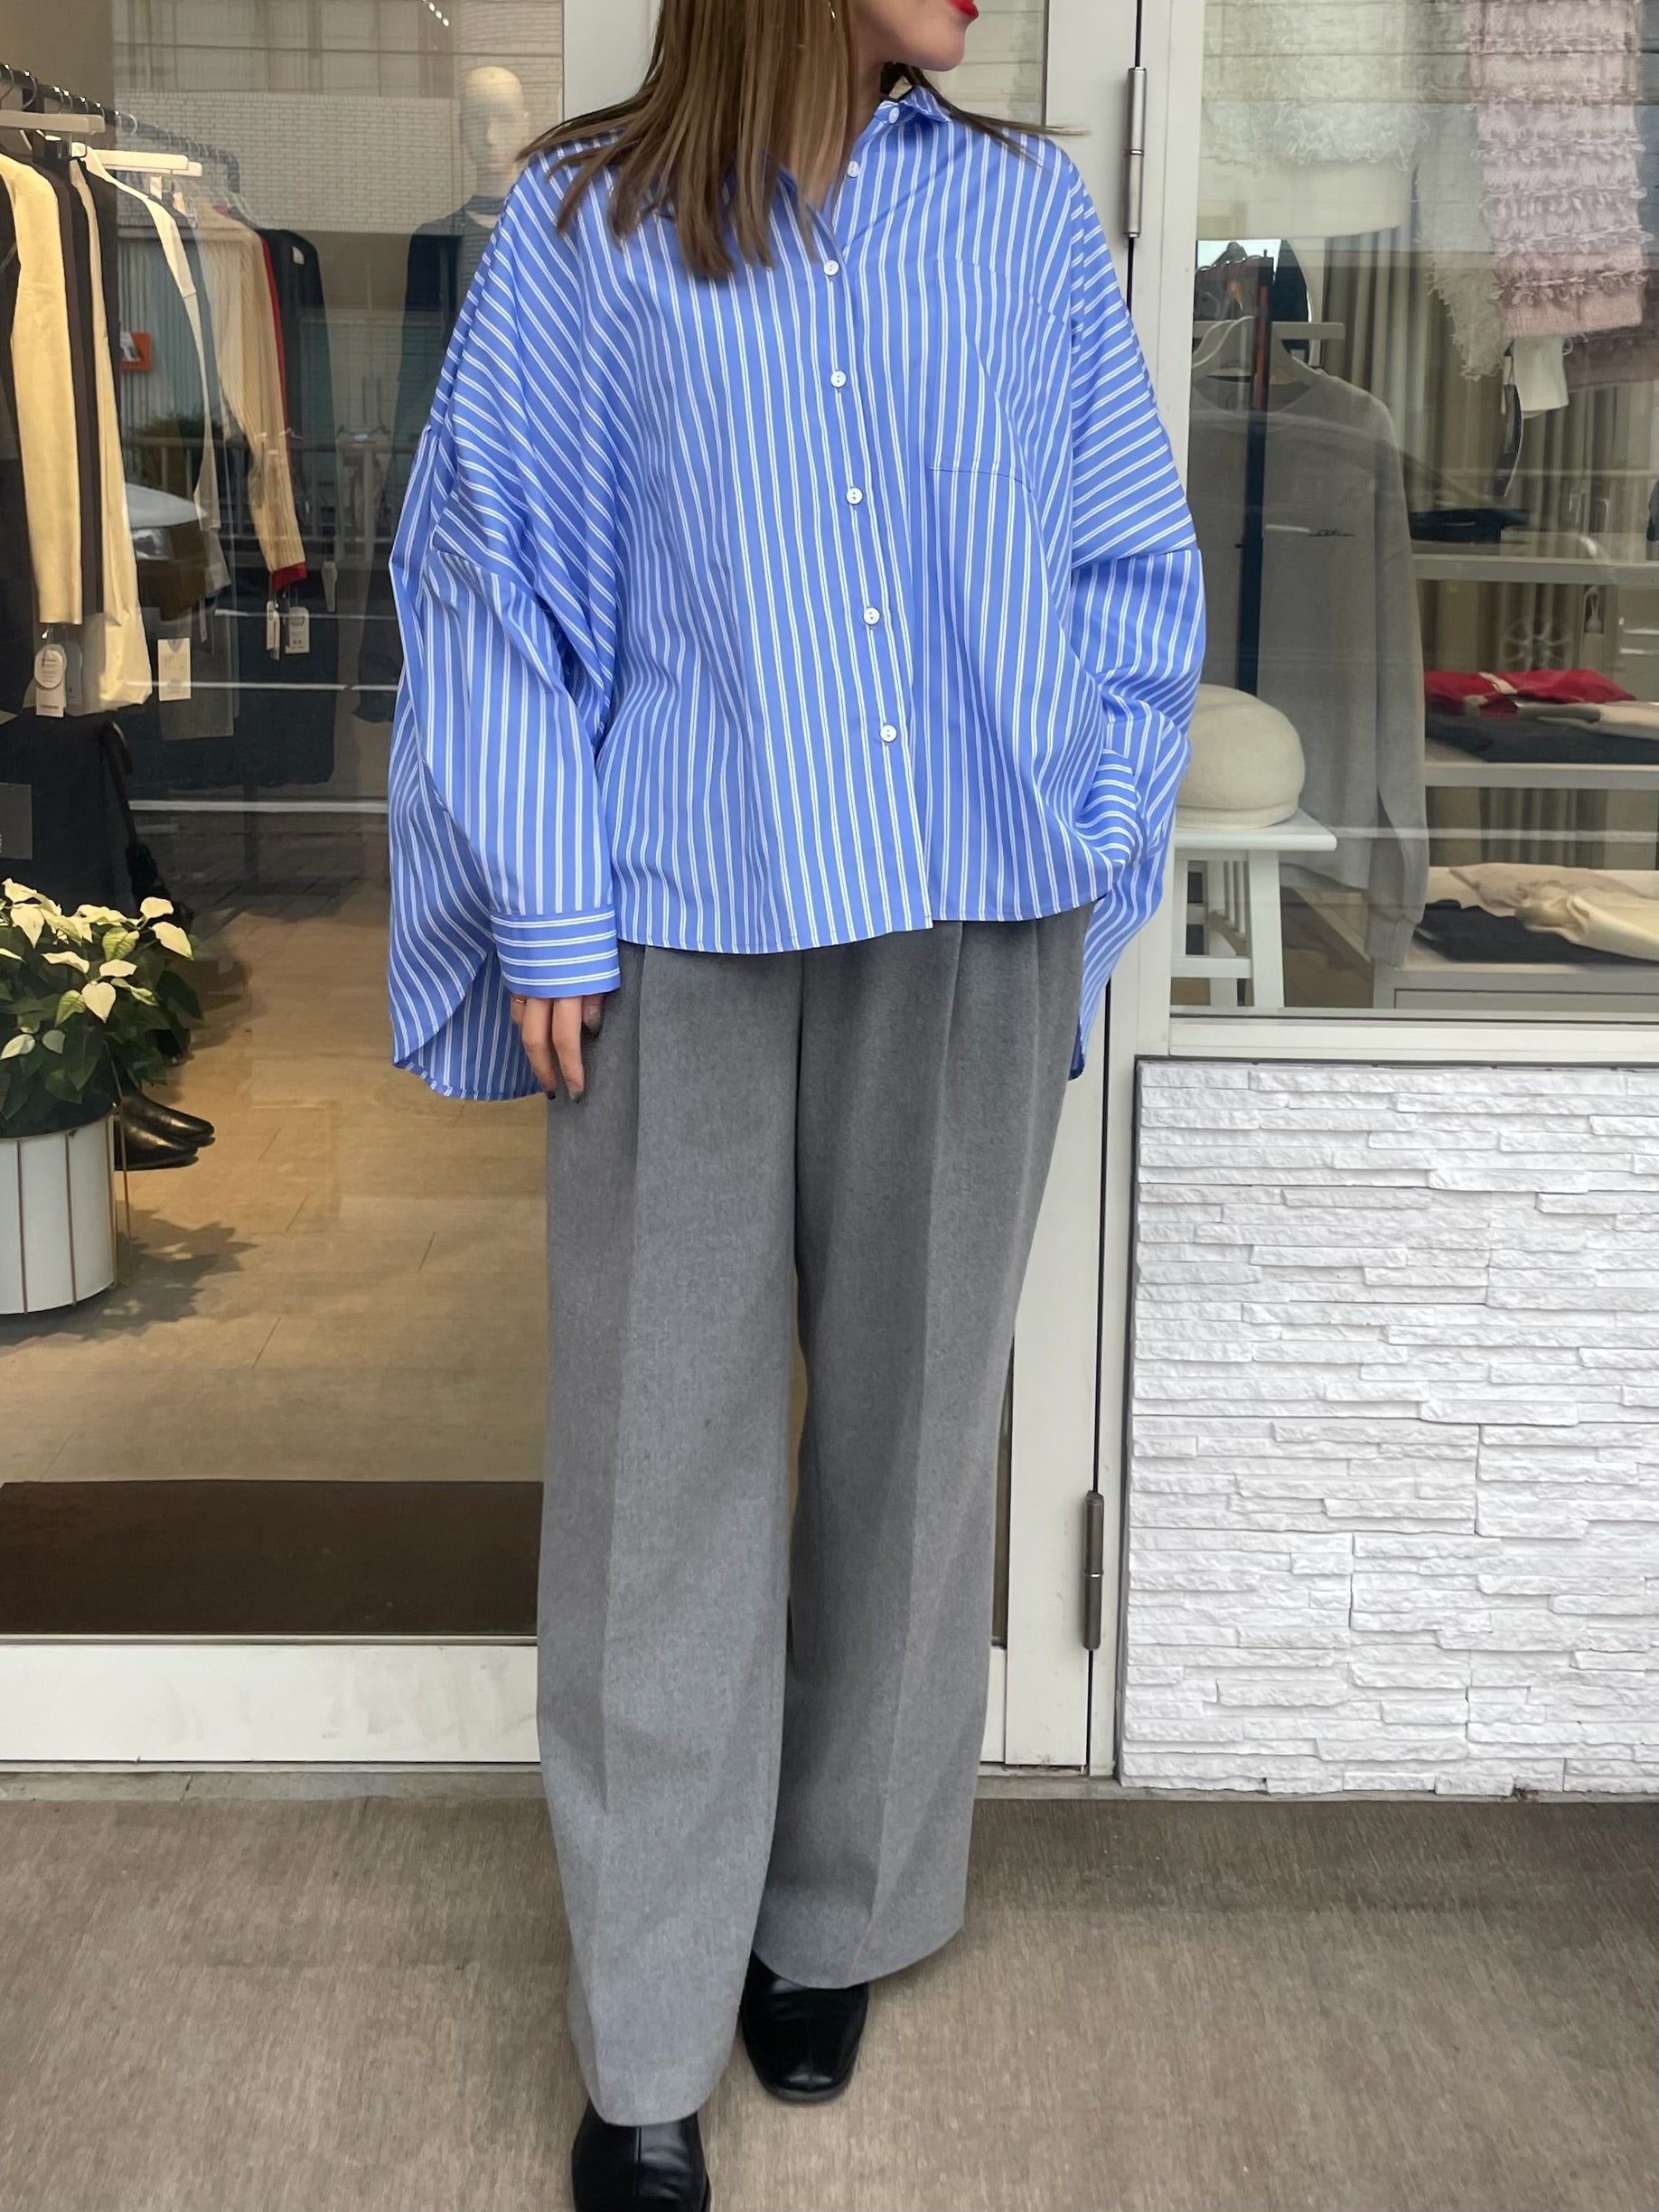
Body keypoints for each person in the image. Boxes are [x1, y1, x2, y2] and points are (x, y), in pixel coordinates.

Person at [387, 0, 1203, 2204]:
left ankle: (832, 1912)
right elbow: (488, 575)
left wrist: (1092, 847)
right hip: (683, 930)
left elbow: (1128, 566)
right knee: (656, 1479)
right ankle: (648, 2030)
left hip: (972, 916)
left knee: (917, 1443)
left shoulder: (1028, 219)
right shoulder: (588, 225)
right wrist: (548, 907)